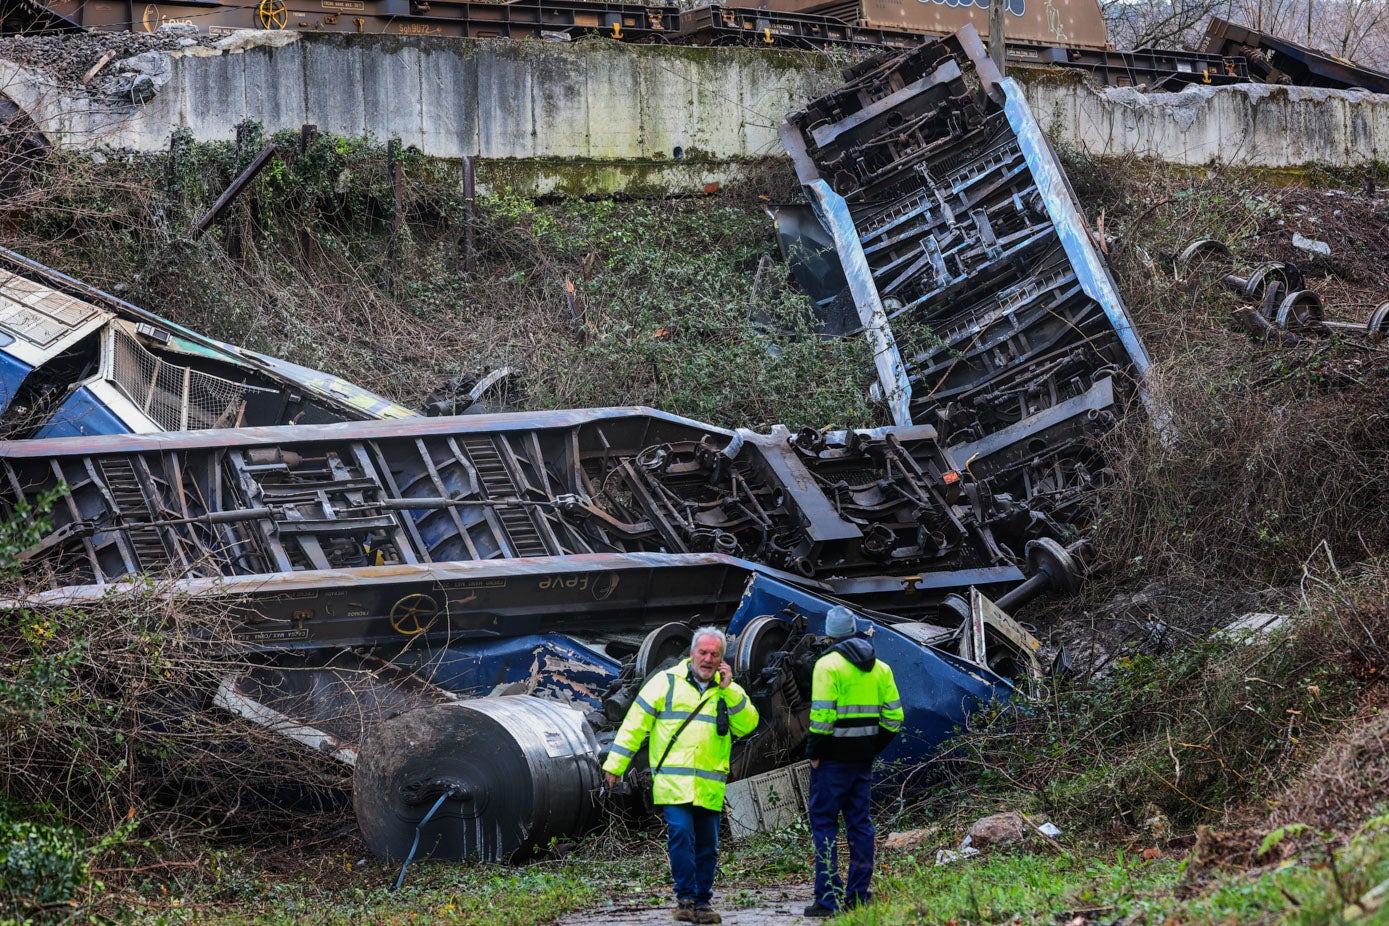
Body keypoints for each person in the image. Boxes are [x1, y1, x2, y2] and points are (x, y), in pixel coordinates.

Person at [603, 626, 759, 925]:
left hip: (709, 784)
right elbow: (635, 725)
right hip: (673, 782)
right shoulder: (665, 683)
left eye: (715, 654)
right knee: (681, 836)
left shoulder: (725, 691)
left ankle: (702, 903)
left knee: (708, 847)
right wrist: (615, 764)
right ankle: (685, 898)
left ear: (721, 659)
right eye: (703, 652)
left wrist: (731, 688)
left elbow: (748, 725)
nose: (708, 658)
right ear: (691, 654)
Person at [803, 606, 904, 918]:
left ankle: (827, 900)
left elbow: (821, 717)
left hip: (831, 761)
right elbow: (895, 717)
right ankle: (858, 895)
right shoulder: (881, 668)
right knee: (860, 825)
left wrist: (815, 753)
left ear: (830, 634)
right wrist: (870, 747)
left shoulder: (827, 666)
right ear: (854, 631)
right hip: (861, 761)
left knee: (824, 825)